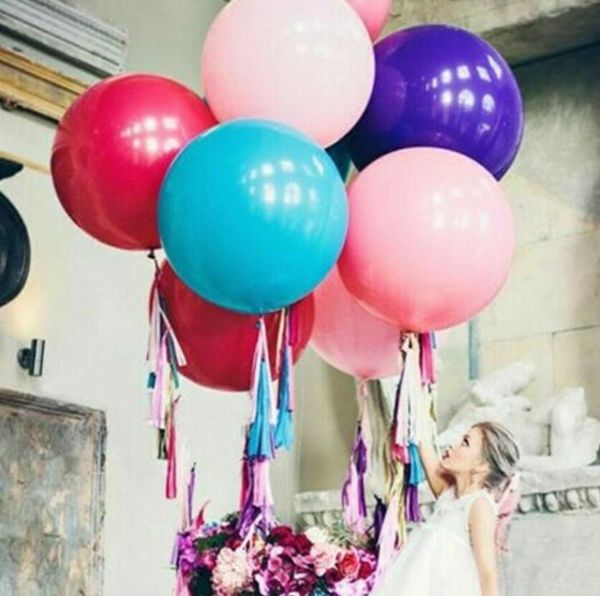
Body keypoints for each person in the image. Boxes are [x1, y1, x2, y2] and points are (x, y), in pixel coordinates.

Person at [374, 421, 521, 596]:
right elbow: (422, 439)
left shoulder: (479, 506)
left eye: (465, 442)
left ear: (482, 466)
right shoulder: (448, 493)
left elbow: (487, 573)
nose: (453, 444)